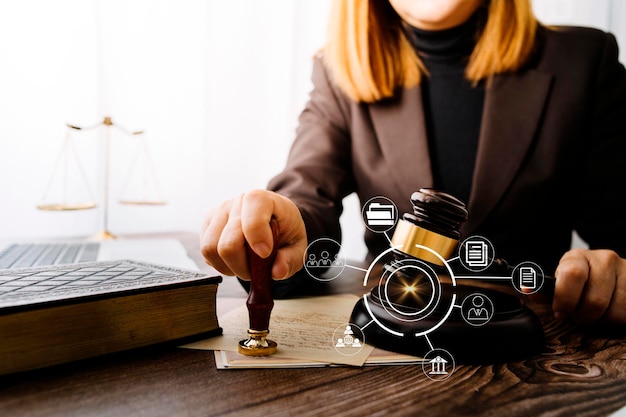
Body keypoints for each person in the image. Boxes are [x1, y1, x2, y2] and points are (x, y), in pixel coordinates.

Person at [200, 0, 626, 325]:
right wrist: (278, 228)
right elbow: (304, 200)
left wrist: (613, 276)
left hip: (536, 340)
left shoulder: (584, 60)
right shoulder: (337, 73)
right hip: (391, 337)